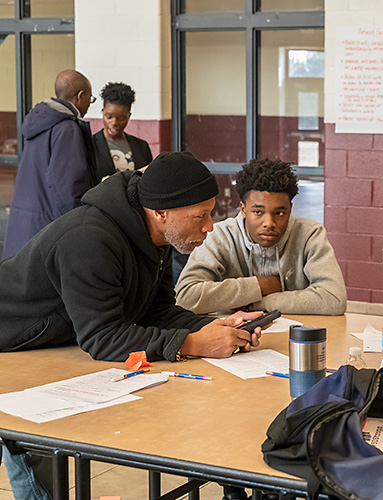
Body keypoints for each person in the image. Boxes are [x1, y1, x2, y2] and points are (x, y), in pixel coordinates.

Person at [0, 151, 266, 499]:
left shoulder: (157, 236)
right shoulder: (88, 239)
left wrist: (214, 327)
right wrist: (193, 345)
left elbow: (155, 312)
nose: (209, 227)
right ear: (160, 213)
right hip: (11, 345)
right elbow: (103, 337)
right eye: (200, 216)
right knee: (33, 450)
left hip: (51, 345)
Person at [175, 158, 347, 315]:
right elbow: (186, 297)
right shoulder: (219, 236)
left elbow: (334, 299)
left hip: (293, 339)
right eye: (258, 212)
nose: (269, 223)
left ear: (290, 209)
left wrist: (262, 302)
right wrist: (259, 285)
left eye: (279, 212)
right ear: (243, 209)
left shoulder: (309, 235)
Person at [2, 69, 97, 259]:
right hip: (47, 230)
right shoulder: (67, 129)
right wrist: (80, 228)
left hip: (24, 227)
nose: (89, 104)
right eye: (90, 98)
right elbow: (68, 189)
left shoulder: (40, 123)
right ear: (80, 96)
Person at [92, 82, 153, 182]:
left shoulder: (141, 147)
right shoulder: (90, 145)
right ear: (103, 112)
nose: (114, 122)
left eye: (121, 118)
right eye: (109, 117)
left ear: (129, 116)